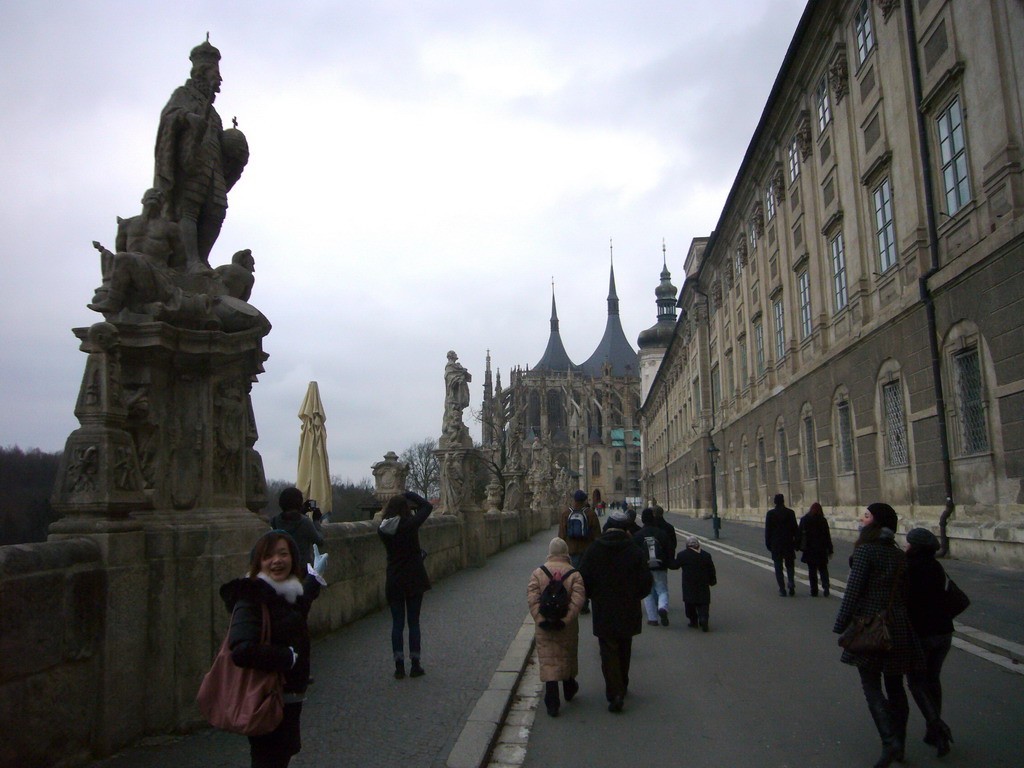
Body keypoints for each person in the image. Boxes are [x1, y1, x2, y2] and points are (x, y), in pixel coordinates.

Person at [833, 503, 950, 767]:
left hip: (872, 626)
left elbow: (853, 591)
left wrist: (841, 625)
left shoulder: (865, 551)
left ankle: (890, 742)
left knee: (871, 686)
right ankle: (902, 741)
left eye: (866, 516)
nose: (861, 519)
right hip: (898, 626)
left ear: (875, 523)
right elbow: (904, 593)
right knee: (895, 686)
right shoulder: (898, 555)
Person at [220, 530, 323, 768]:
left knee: (283, 754)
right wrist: (286, 658)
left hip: (288, 695)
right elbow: (242, 650)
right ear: (258, 562)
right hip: (266, 696)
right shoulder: (251, 597)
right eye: (268, 556)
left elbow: (295, 611)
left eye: (283, 554)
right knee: (269, 759)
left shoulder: (286, 592)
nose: (277, 560)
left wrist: (315, 578)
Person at [154, 38, 249, 270]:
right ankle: (191, 260)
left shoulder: (214, 112)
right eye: (215, 75)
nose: (219, 80)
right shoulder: (184, 94)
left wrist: (232, 144)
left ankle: (202, 257)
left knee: (216, 210)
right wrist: (187, 118)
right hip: (192, 161)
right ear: (203, 72)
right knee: (190, 208)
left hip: (213, 164)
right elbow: (170, 116)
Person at [578, 521, 652, 713]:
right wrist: (635, 595)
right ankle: (623, 684)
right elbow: (646, 582)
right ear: (625, 531)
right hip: (628, 607)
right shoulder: (634, 550)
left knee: (608, 650)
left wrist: (594, 596)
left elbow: (583, 579)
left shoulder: (594, 549)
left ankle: (614, 692)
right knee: (624, 646)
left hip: (604, 608)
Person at [905, 527, 956, 756]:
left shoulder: (908, 566)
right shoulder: (936, 566)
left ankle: (937, 726)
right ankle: (932, 730)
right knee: (933, 679)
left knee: (916, 681)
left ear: (913, 545)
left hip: (921, 634)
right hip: (944, 632)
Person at [527, 537, 586, 717]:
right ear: (566, 552)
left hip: (545, 624)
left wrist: (540, 618)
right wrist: (566, 619)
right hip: (566, 625)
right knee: (567, 654)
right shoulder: (574, 574)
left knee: (548, 659)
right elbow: (578, 600)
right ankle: (569, 687)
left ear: (550, 552)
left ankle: (552, 702)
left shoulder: (538, 573)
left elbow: (532, 599)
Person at [377, 490, 433, 679]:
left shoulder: (382, 529)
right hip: (414, 577)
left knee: (397, 624)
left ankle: (399, 666)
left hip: (394, 578)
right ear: (405, 508)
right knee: (413, 622)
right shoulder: (410, 525)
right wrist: (409, 493)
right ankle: (415, 664)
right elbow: (427, 506)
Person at [557, 490, 600, 613]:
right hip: (587, 551)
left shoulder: (566, 514)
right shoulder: (591, 514)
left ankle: (572, 603)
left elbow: (561, 535)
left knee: (571, 578)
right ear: (585, 500)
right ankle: (584, 604)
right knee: (584, 578)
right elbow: (597, 535)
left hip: (571, 551)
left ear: (573, 500)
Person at [633, 508, 673, 626]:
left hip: (645, 568)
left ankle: (652, 619)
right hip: (660, 566)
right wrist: (669, 562)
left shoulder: (638, 535)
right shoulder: (661, 533)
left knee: (648, 593)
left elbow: (635, 553)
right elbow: (669, 549)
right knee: (662, 590)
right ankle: (662, 608)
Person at [270, 488, 324, 571]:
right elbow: (319, 541)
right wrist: (316, 521)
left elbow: (290, 521)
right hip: (302, 568)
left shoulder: (275, 521)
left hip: (284, 566)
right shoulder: (305, 522)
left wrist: (301, 511)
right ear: (299, 503)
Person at [672, 535, 717, 631]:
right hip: (703, 583)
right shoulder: (706, 555)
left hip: (689, 583)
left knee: (689, 603)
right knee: (704, 603)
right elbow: (711, 569)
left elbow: (675, 566)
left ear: (687, 545)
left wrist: (666, 560)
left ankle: (693, 621)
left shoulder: (682, 555)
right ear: (698, 545)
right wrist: (712, 580)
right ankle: (704, 618)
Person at [765, 493, 799, 596]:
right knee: (790, 565)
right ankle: (791, 582)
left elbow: (768, 531)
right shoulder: (790, 513)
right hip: (788, 543)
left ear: (775, 502)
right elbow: (795, 529)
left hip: (776, 544)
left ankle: (782, 589)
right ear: (783, 501)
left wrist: (768, 544)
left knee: (778, 567)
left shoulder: (770, 514)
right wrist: (796, 543)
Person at [798, 502, 833, 597]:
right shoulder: (823, 520)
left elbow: (800, 534)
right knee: (823, 569)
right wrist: (830, 550)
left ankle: (814, 590)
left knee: (812, 570)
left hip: (809, 549)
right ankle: (826, 587)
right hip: (821, 549)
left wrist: (797, 546)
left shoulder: (805, 520)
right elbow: (827, 536)